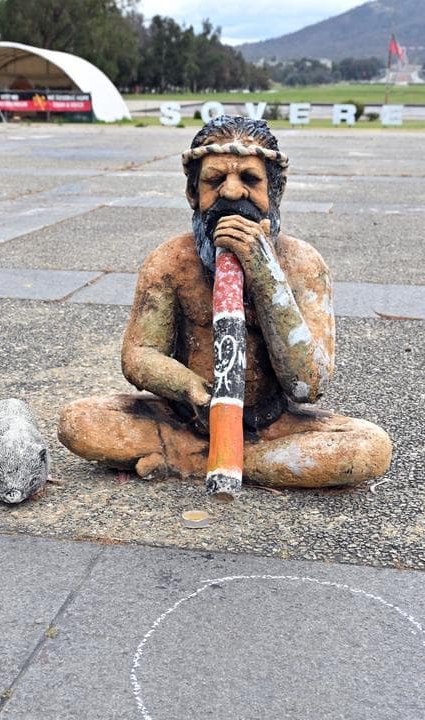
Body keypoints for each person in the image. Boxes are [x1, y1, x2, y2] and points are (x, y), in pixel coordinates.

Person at [58, 116, 391, 489]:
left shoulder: (303, 264)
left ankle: (217, 460)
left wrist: (265, 275)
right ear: (192, 193)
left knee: (368, 448)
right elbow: (138, 354)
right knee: (78, 421)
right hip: (186, 418)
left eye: (250, 179)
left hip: (270, 423)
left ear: (275, 193)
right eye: (215, 180)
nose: (232, 193)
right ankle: (237, 458)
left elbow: (307, 385)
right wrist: (187, 385)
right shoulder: (171, 261)